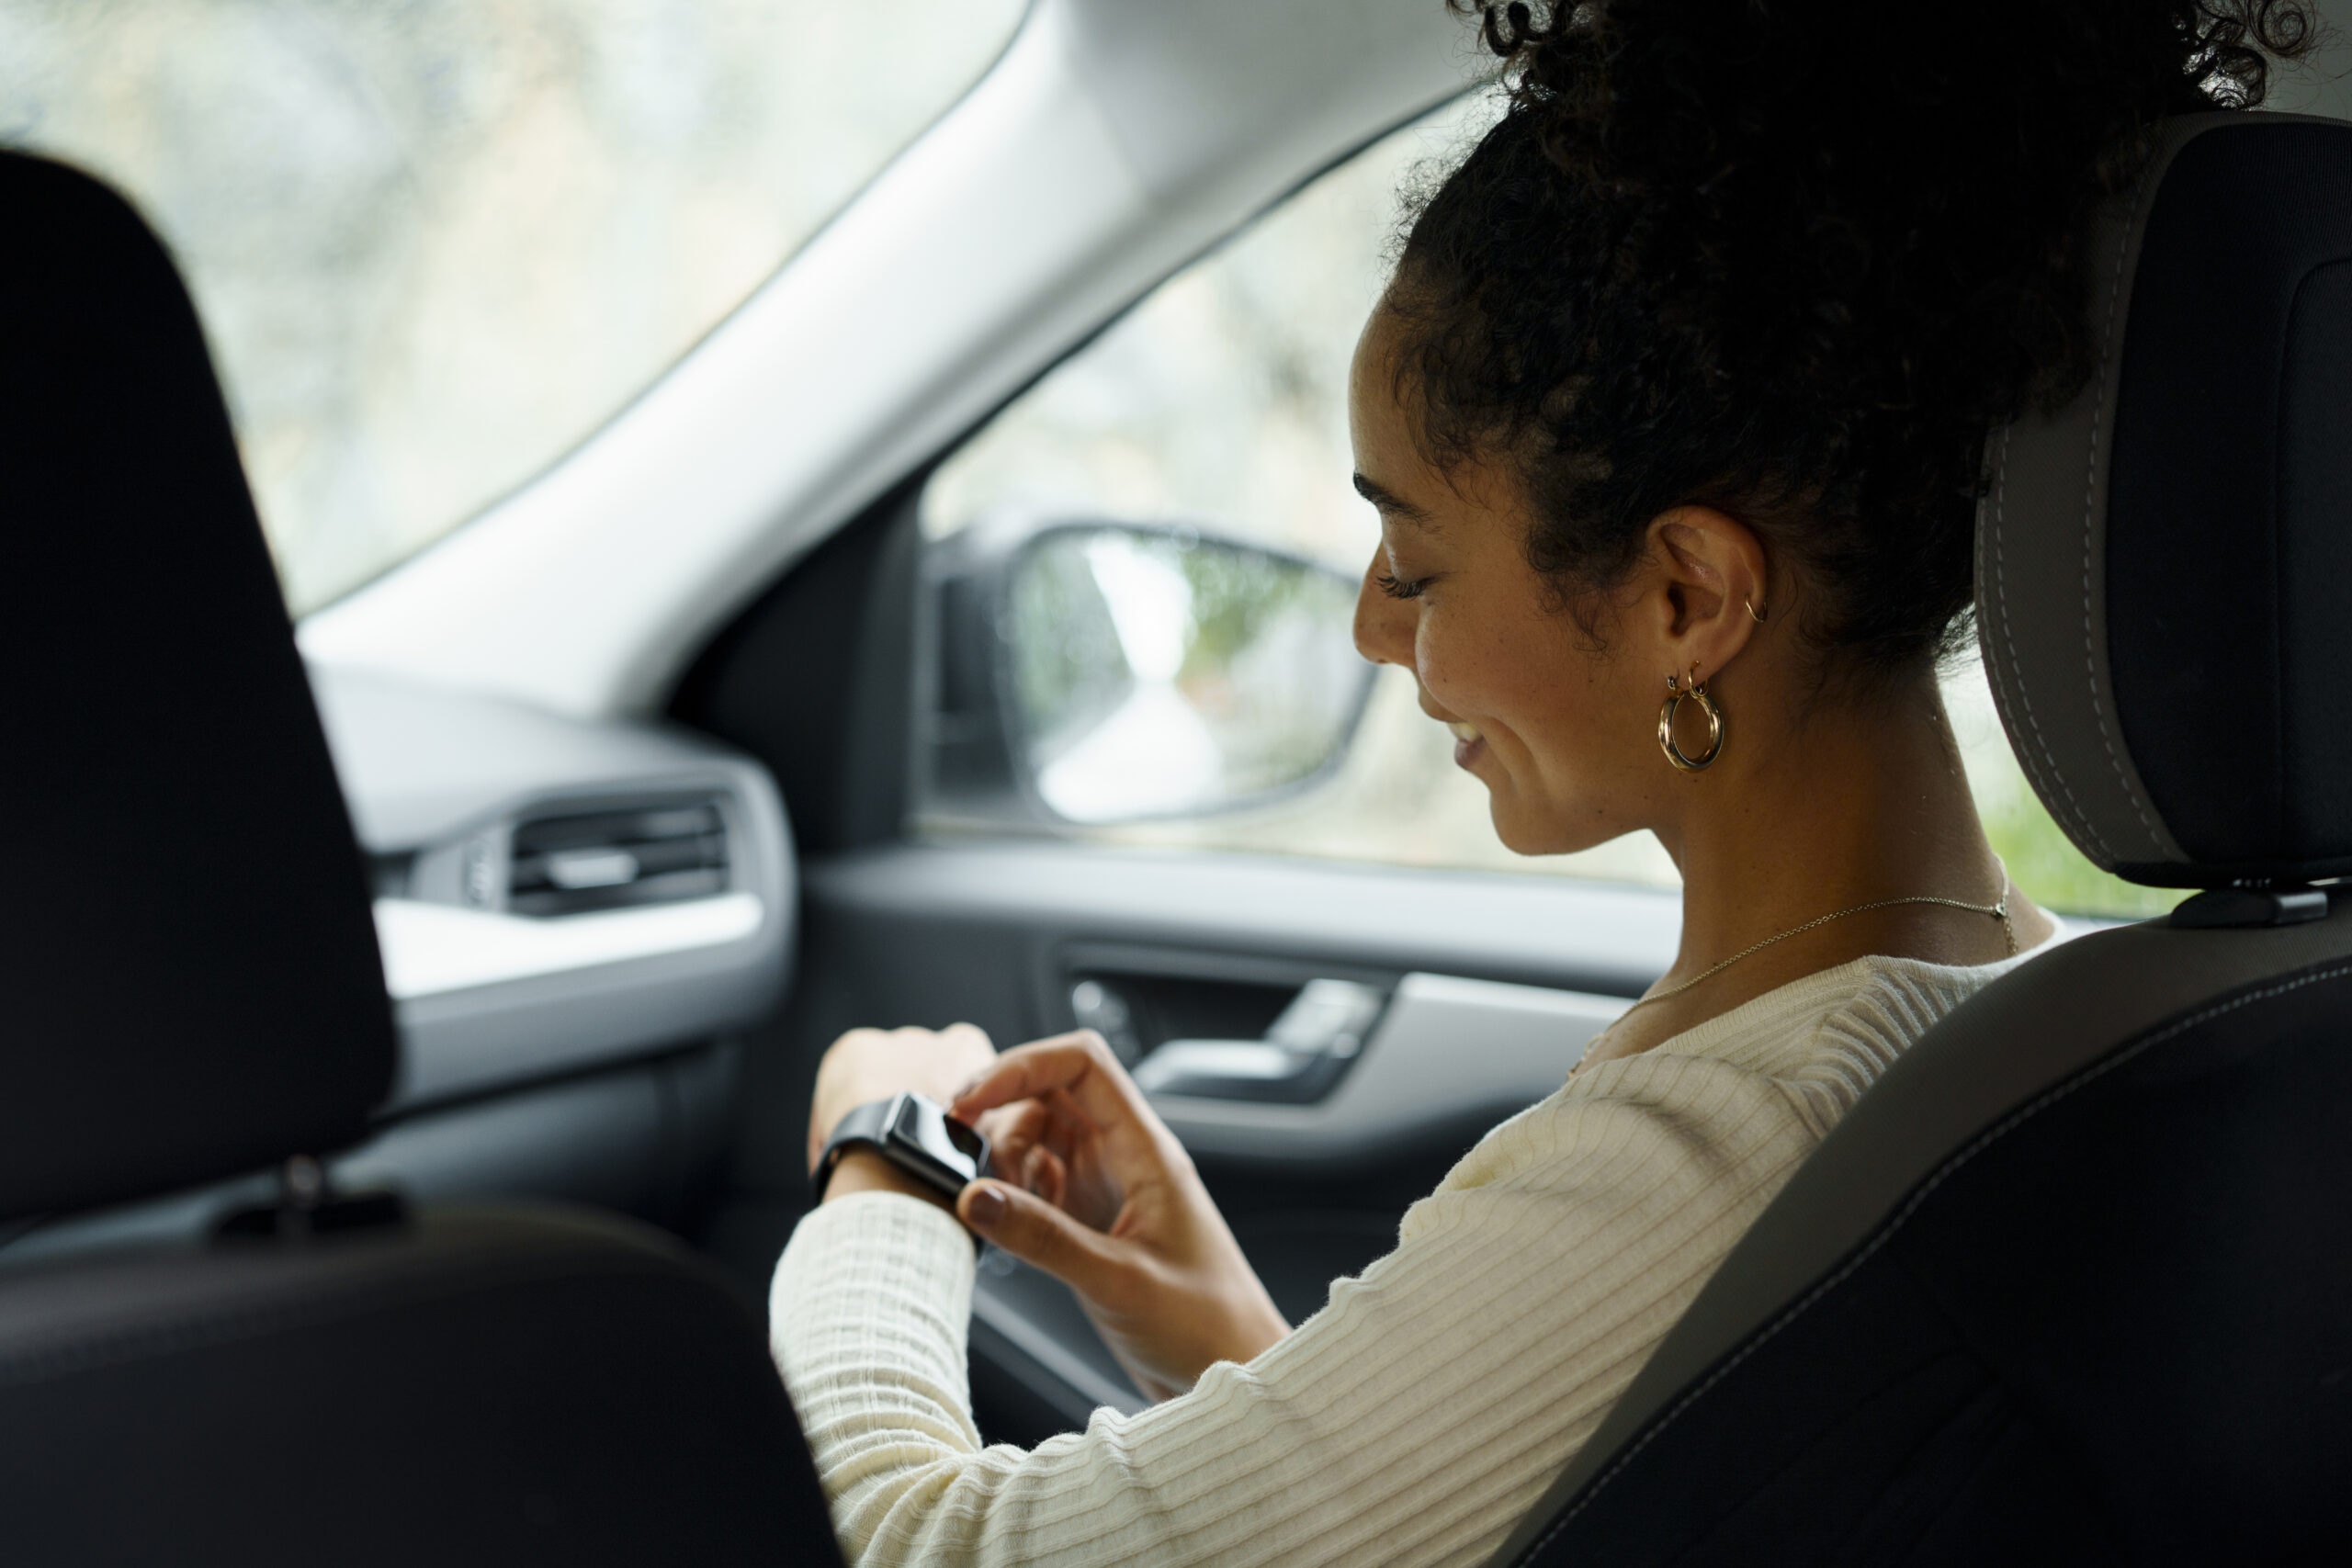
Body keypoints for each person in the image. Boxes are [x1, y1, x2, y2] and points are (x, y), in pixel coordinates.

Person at [771, 2, 2316, 1562]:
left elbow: (923, 1547)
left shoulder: (1724, 1143)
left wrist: (887, 1159)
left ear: (1686, 599)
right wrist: (1230, 1345)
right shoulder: (2057, 1024)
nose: (1373, 627)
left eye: (1414, 559)